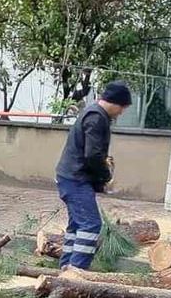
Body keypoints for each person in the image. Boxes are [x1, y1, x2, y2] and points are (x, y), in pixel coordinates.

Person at [54, 82, 132, 270]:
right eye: (122, 107)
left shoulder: (93, 114)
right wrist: (105, 177)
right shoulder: (97, 118)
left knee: (76, 226)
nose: (121, 112)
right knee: (91, 226)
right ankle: (77, 273)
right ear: (114, 102)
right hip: (76, 180)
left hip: (70, 177)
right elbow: (93, 155)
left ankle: (66, 270)